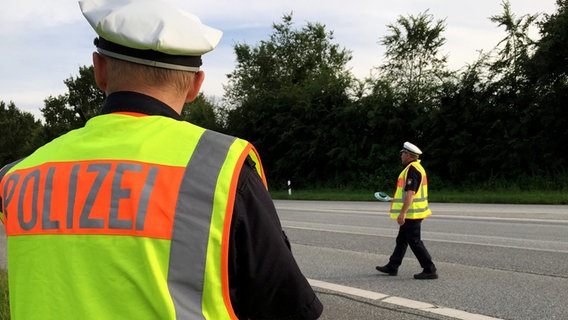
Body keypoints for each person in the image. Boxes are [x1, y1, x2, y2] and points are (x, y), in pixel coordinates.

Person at [0, 0, 323, 319]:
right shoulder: (222, 170)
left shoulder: (17, 176)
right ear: (196, 85)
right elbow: (289, 309)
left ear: (99, 70)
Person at [376, 142, 438, 280]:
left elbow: (411, 193)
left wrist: (402, 213)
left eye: (402, 153)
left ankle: (430, 269)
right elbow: (407, 194)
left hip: (412, 213)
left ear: (409, 155)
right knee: (402, 240)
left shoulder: (412, 169)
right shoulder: (416, 168)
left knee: (414, 241)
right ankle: (393, 265)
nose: (401, 156)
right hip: (413, 211)